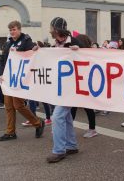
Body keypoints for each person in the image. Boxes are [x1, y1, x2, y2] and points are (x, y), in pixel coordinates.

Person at [0, 20, 45, 141]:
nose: (12, 32)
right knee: (8, 106)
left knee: (18, 105)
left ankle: (38, 123)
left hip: (19, 78)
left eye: (14, 29)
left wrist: (37, 48)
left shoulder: (26, 41)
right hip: (8, 78)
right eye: (10, 30)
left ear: (19, 29)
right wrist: (1, 74)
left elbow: (33, 51)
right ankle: (10, 132)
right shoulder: (8, 44)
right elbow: (3, 60)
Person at [44, 17, 83, 163]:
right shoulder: (56, 45)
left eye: (52, 28)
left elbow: (89, 58)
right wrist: (38, 52)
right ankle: (71, 145)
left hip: (72, 88)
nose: (51, 31)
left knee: (57, 116)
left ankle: (59, 150)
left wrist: (79, 52)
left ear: (56, 29)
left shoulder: (75, 42)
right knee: (65, 117)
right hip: (61, 88)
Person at [70, 34, 98, 139]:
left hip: (85, 84)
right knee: (74, 106)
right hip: (79, 84)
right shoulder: (78, 53)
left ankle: (92, 129)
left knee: (87, 107)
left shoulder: (88, 54)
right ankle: (68, 128)